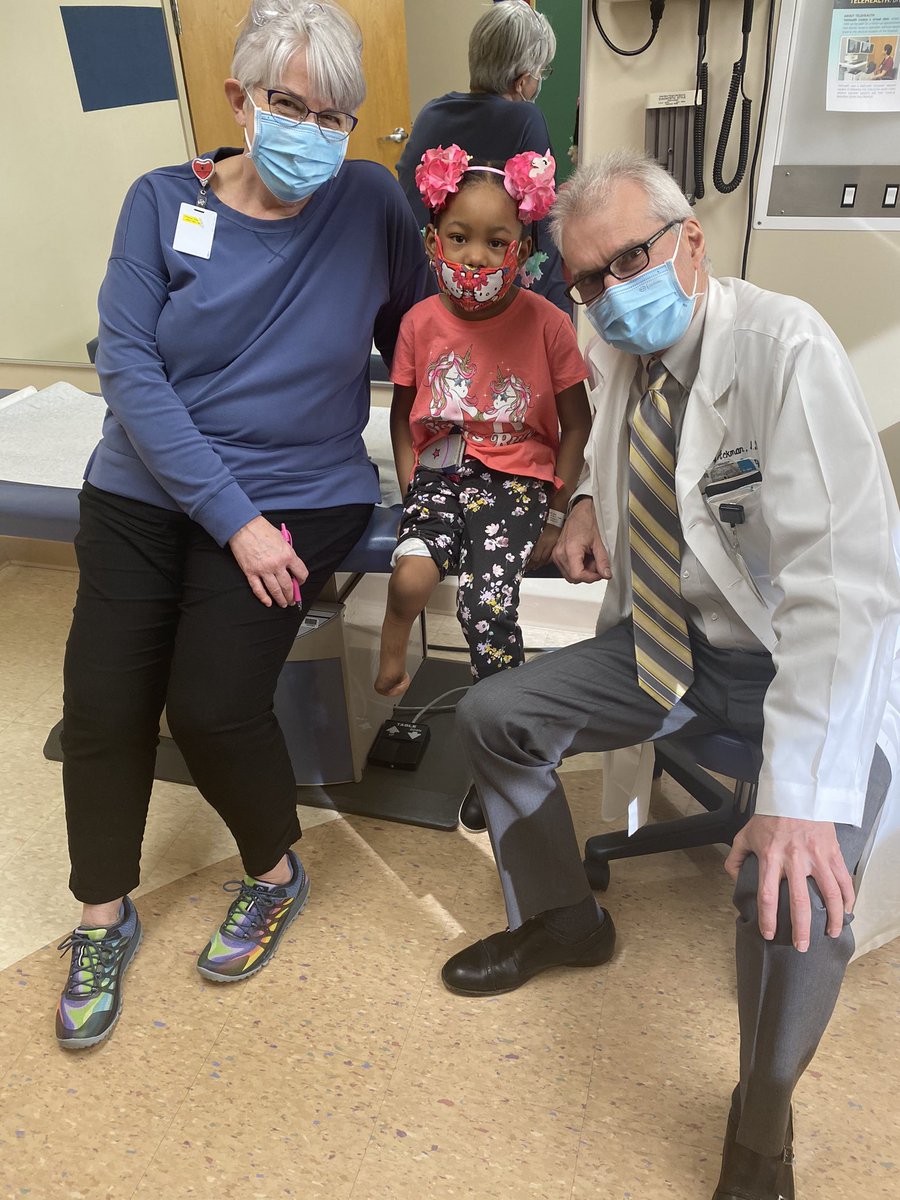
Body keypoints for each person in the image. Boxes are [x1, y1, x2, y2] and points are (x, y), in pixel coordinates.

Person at [440, 149, 900, 1200]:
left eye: (627, 262)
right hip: (670, 641)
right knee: (495, 712)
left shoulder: (785, 351)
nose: (608, 295)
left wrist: (798, 803)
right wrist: (592, 505)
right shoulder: (620, 354)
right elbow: (624, 448)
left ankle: (763, 1108)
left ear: (690, 243)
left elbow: (845, 588)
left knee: (797, 888)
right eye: (587, 280)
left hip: (804, 662)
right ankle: (564, 917)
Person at [55, 0, 428, 1050]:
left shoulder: (370, 200)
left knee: (213, 706)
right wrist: (230, 520)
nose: (315, 129)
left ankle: (274, 871)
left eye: (337, 112)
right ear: (240, 101)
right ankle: (102, 915)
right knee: (102, 700)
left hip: (298, 490)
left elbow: (424, 335)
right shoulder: (160, 201)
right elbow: (125, 363)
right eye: (290, 104)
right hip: (148, 486)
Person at [375, 144, 591, 703]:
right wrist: (410, 490)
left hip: (519, 480)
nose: (474, 258)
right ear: (433, 241)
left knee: (484, 603)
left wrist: (556, 512)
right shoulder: (418, 324)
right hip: (439, 474)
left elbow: (578, 424)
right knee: (412, 575)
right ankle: (393, 655)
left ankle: (500, 708)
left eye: (496, 243)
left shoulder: (550, 324)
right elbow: (402, 419)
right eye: (458, 237)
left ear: (520, 251)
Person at [396, 1, 569, 314]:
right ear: (522, 80)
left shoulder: (430, 115)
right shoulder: (526, 119)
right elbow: (540, 233)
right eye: (541, 72)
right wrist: (556, 316)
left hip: (429, 298)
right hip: (495, 301)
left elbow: (408, 207)